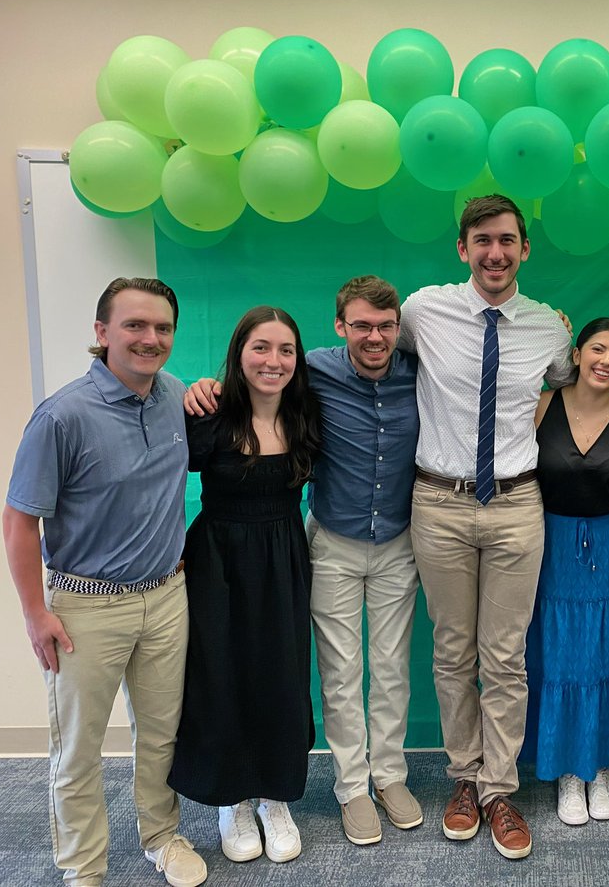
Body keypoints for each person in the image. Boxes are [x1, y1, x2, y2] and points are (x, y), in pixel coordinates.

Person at [183, 276, 422, 849]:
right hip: (329, 542)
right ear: (340, 326)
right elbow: (252, 380)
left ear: (398, 329)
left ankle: (389, 776)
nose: (374, 335)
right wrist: (203, 386)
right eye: (360, 324)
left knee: (390, 668)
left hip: (396, 540)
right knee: (338, 674)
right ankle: (352, 788)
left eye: (385, 326)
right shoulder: (313, 370)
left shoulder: (421, 369)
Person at [2, 277, 206, 887]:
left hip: (168, 598)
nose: (150, 339)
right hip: (85, 609)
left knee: (162, 734)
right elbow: (19, 521)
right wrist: (35, 613)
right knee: (79, 750)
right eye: (135, 326)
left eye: (162, 328)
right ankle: (84, 868)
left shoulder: (174, 397)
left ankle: (161, 836)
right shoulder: (62, 416)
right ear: (102, 333)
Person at [398, 194, 574, 860]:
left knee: (503, 656)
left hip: (516, 505)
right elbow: (379, 348)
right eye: (481, 240)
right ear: (463, 250)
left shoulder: (548, 328)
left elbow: (559, 379)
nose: (494, 252)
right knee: (452, 652)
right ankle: (464, 779)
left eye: (506, 240)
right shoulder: (422, 311)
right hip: (438, 503)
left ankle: (500, 789)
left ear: (524, 250)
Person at [168, 307, 321, 864]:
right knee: (220, 673)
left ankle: (274, 797)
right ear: (239, 353)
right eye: (260, 347)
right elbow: (156, 481)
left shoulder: (308, 415)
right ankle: (231, 800)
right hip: (217, 558)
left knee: (279, 673)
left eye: (285, 349)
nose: (272, 361)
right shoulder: (208, 414)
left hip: (284, 555)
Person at [524, 317, 609, 827]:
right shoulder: (540, 405)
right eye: (597, 349)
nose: (607, 361)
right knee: (559, 658)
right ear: (576, 355)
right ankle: (566, 772)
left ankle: (599, 767)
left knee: (608, 655)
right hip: (551, 547)